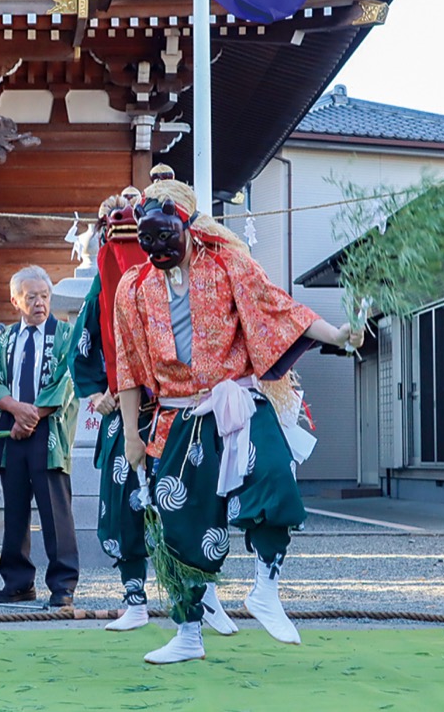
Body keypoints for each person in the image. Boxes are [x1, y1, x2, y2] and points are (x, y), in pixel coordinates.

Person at [113, 178, 362, 664]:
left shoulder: (227, 262)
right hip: (178, 415)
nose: (162, 251)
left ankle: (265, 589)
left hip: (240, 401)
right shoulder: (134, 287)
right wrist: (130, 436)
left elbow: (279, 308)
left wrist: (338, 334)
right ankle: (188, 633)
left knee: (273, 480)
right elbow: (127, 366)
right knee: (182, 520)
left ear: (186, 225)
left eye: (169, 238)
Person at [71, 177, 236, 635]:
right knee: (124, 505)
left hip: (183, 409)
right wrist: (97, 394)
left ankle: (206, 598)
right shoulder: (115, 286)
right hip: (127, 412)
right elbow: (85, 347)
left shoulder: (191, 273)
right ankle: (135, 598)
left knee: (198, 503)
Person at [0, 265, 79, 607]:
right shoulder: (4, 338)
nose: (40, 303)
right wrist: (15, 409)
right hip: (11, 432)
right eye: (31, 296)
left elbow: (67, 380)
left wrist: (31, 415)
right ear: (14, 300)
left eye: (45, 296)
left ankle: (63, 583)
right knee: (15, 511)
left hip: (47, 431)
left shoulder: (65, 335)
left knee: (55, 510)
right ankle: (18, 583)